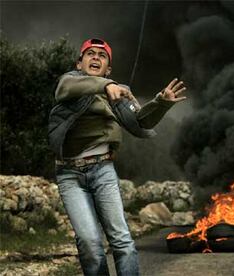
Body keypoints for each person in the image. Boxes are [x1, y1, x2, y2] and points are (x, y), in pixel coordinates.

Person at [48, 38, 186, 276]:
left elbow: (140, 121)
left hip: (103, 171)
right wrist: (104, 85)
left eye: (102, 56)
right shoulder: (69, 81)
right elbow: (64, 89)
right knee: (90, 244)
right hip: (70, 175)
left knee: (122, 240)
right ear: (79, 63)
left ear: (108, 68)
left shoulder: (117, 93)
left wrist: (161, 103)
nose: (95, 58)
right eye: (89, 54)